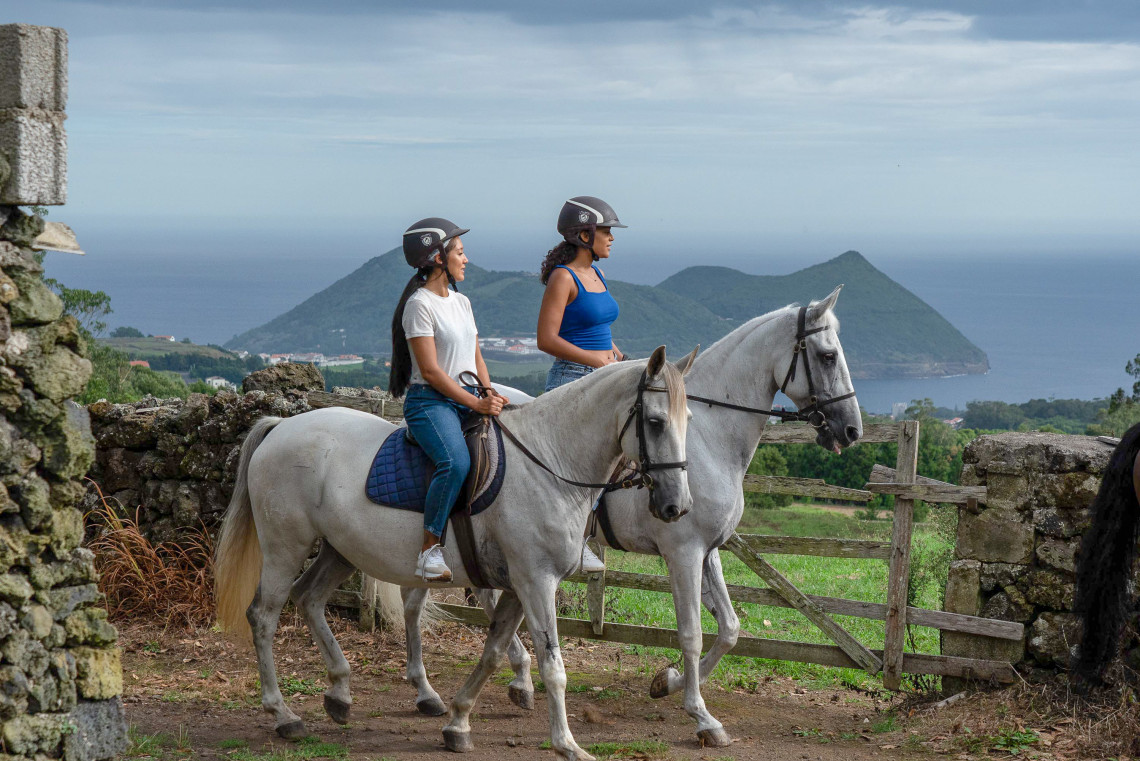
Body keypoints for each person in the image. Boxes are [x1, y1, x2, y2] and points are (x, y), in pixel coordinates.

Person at [389, 218, 507, 583]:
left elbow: (477, 358)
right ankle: (429, 550)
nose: (466, 259)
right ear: (437, 257)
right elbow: (434, 372)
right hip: (431, 402)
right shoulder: (419, 305)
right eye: (459, 252)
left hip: (468, 396)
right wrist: (476, 405)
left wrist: (488, 393)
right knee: (455, 462)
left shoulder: (462, 302)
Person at [536, 196, 627, 573]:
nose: (611, 238)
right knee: (579, 470)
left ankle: (588, 533)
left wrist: (614, 352)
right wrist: (595, 359)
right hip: (572, 381)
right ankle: (572, 539)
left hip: (602, 375)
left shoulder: (597, 274)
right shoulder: (564, 277)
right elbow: (546, 339)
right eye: (606, 230)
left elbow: (596, 328)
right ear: (585, 234)